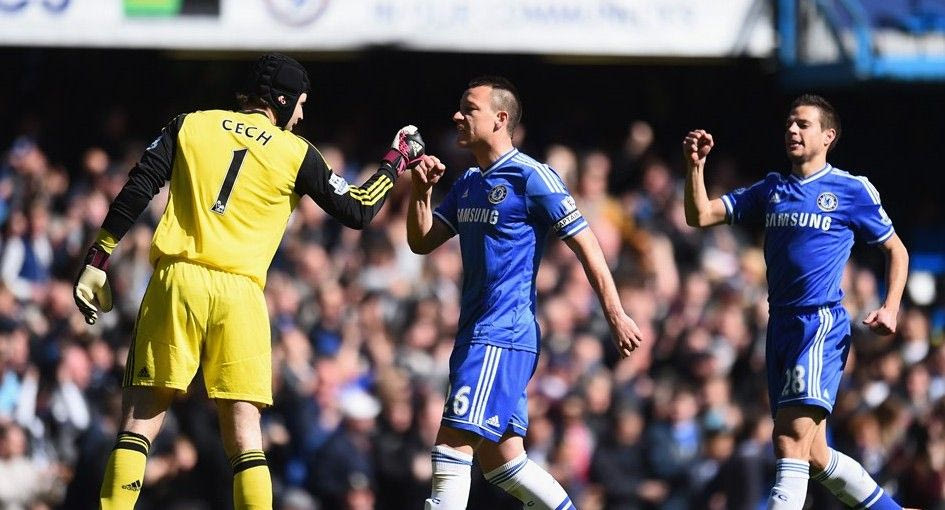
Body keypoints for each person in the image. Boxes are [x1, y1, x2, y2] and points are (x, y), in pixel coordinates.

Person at [73, 53, 425, 510]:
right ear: (284, 100)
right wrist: (396, 159)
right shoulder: (296, 153)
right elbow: (358, 209)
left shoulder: (191, 124)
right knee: (245, 434)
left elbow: (139, 186)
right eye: (301, 104)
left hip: (177, 281)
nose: (302, 115)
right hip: (241, 294)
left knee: (140, 421)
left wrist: (98, 257)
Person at [406, 76, 643, 510]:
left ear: (500, 119)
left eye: (469, 108)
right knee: (504, 463)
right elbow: (422, 242)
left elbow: (587, 244)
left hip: (502, 333)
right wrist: (421, 193)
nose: (457, 116)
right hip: (475, 333)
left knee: (451, 445)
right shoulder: (469, 182)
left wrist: (615, 314)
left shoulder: (532, 177)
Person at [682, 94, 911, 510]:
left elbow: (896, 249)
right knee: (815, 455)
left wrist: (891, 306)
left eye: (803, 124)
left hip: (819, 324)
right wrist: (695, 168)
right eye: (789, 122)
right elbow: (700, 216)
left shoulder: (851, 189)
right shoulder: (771, 189)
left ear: (828, 136)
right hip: (780, 328)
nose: (792, 130)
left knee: (788, 439)